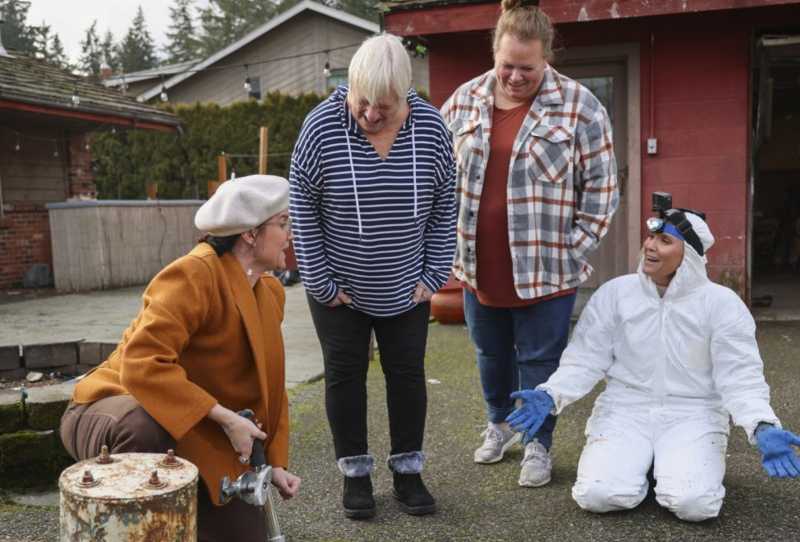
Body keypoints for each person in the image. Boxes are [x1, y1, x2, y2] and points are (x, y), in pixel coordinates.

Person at [507, 202, 800, 521]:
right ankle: (646, 464)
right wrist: (552, 393)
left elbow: (740, 374)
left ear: (688, 254)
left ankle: (668, 464)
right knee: (597, 495)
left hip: (693, 414)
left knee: (695, 505)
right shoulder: (616, 294)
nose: (650, 245)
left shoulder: (721, 305)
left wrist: (761, 423)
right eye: (651, 237)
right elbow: (585, 358)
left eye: (665, 241)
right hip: (625, 409)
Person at [59, 175, 301, 541]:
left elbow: (271, 385)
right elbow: (142, 364)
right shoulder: (193, 274)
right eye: (283, 224)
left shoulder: (269, 292)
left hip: (193, 424)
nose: (291, 235)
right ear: (250, 234)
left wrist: (274, 463)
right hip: (114, 407)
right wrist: (224, 418)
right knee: (142, 430)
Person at [440, 0, 618, 487]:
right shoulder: (462, 100)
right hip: (479, 268)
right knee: (490, 355)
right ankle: (499, 424)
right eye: (507, 66)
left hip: (546, 271)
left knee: (540, 362)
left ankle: (537, 443)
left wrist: (572, 248)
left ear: (548, 58)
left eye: (527, 68)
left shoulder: (580, 106)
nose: (515, 77)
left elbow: (602, 188)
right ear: (493, 53)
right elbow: (435, 178)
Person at [289, 33, 456, 519]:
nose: (370, 115)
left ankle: (407, 471)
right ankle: (355, 475)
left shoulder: (431, 128)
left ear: (405, 94)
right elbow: (302, 206)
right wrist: (319, 282)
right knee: (345, 377)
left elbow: (446, 202)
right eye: (362, 102)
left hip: (408, 286)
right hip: (338, 288)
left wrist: (436, 270)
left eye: (384, 106)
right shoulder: (321, 126)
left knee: (406, 376)